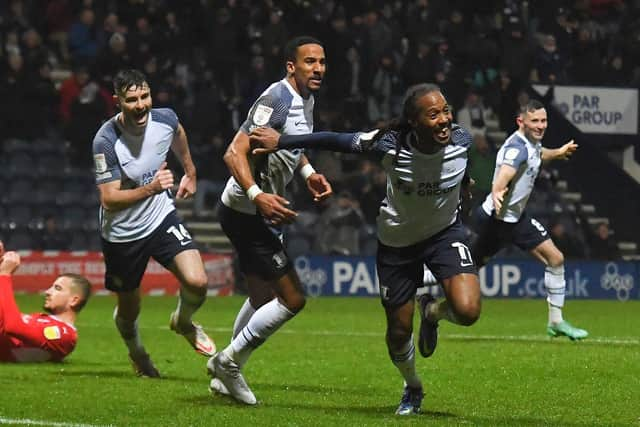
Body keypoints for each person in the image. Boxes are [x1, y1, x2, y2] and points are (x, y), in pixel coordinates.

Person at [250, 83, 481, 416]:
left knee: (469, 310)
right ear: (414, 121)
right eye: (433, 115)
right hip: (397, 245)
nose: (444, 120)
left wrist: (466, 186)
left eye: (446, 110)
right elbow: (333, 139)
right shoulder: (389, 146)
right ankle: (413, 386)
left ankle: (431, 312)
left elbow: (460, 170)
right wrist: (281, 141)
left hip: (444, 234)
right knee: (398, 333)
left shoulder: (462, 140)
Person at [207, 36, 333, 406]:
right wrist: (258, 196)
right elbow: (234, 153)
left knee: (262, 296)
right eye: (310, 61)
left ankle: (226, 372)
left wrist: (308, 171)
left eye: (322, 61)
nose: (319, 68)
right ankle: (228, 362)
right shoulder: (277, 100)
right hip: (246, 213)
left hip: (250, 212)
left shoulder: (306, 99)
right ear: (291, 66)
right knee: (292, 298)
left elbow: (290, 143)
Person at [92, 69, 215, 378]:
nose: (140, 105)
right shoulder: (105, 141)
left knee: (198, 282)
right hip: (123, 233)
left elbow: (179, 133)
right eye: (131, 100)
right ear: (118, 102)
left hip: (160, 216)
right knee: (130, 308)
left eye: (144, 96)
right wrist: (152, 188)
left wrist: (190, 170)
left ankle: (183, 321)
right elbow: (109, 199)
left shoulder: (165, 118)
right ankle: (138, 354)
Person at [469, 100, 588, 339]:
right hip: (494, 221)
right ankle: (420, 288)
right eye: (535, 121)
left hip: (516, 219)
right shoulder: (517, 148)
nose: (541, 125)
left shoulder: (531, 143)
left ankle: (556, 322)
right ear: (520, 121)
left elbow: (538, 154)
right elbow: (505, 172)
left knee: (556, 258)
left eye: (543, 121)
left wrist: (558, 152)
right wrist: (498, 190)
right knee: (465, 270)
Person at [0, 241, 91, 362]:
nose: (48, 291)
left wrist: (5, 274)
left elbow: (12, 326)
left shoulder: (64, 335)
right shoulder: (42, 319)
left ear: (74, 300)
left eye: (57, 288)